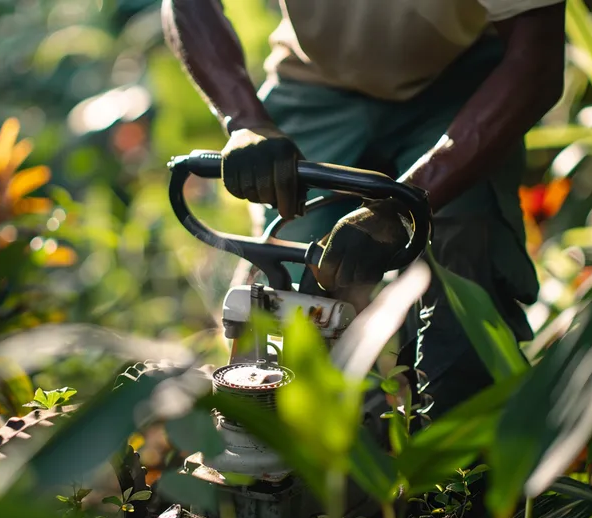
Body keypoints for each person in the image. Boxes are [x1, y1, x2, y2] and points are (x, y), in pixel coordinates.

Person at [161, 0, 566, 421]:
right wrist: (245, 119)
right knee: (286, 303)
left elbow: (535, 60)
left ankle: (464, 472)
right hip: (317, 82)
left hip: (459, 85)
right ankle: (286, 468)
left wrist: (404, 205)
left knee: (466, 284)